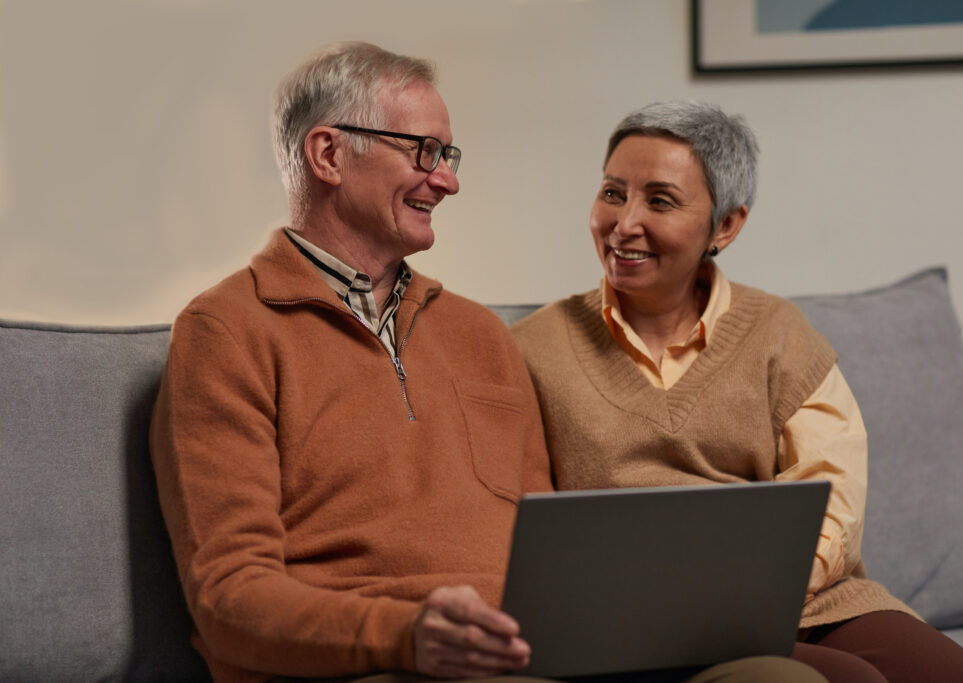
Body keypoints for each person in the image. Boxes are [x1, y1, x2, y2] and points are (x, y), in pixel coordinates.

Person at [149, 43, 824, 683]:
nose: (448, 180)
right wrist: (407, 632)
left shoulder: (479, 333)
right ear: (328, 153)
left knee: (779, 675)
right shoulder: (226, 331)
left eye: (448, 155)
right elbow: (228, 595)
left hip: (535, 647)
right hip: (372, 661)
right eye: (425, 152)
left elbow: (548, 546)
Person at [510, 100, 963, 683]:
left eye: (659, 200)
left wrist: (771, 588)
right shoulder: (531, 349)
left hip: (810, 599)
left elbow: (832, 492)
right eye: (613, 192)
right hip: (642, 620)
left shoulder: (779, 332)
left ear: (726, 226)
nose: (623, 222)